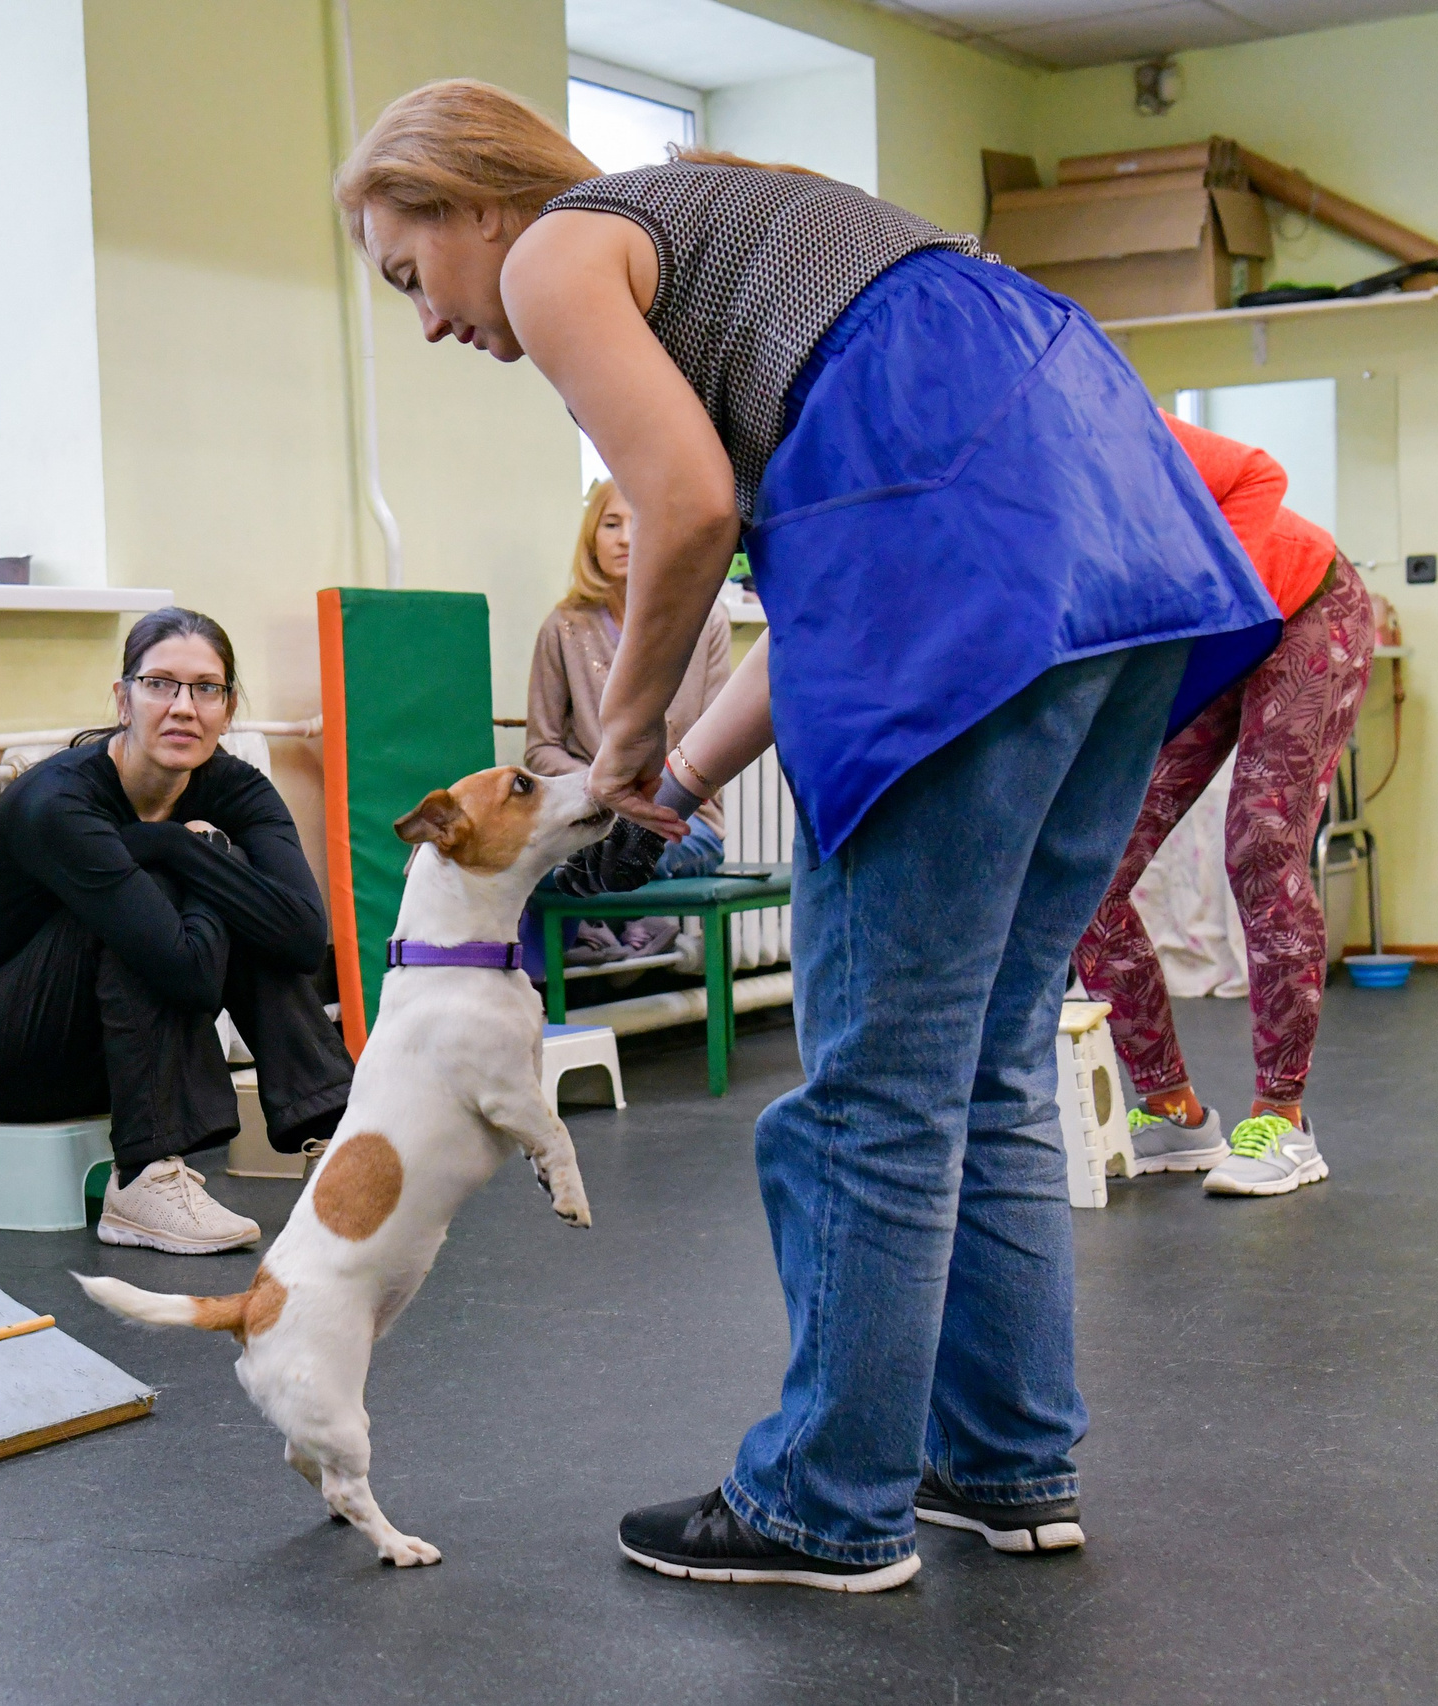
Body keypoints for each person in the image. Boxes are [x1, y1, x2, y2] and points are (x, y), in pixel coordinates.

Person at [335, 80, 1276, 1590]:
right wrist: (678, 787)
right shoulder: (749, 251)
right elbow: (824, 594)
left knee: (872, 1089)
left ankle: (827, 1499)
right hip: (1119, 544)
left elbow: (689, 510)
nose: (434, 319)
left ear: (472, 203)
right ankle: (1006, 1461)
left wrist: (623, 733)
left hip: (969, 562)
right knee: (985, 1058)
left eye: (408, 274)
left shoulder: (557, 248)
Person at [0, 607, 354, 1256]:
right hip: (7, 1047)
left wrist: (183, 849)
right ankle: (144, 1178)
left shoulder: (236, 789)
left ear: (228, 707)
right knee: (164, 895)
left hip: (115, 1047)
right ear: (123, 698)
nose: (183, 707)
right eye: (160, 683)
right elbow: (182, 970)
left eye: (206, 689)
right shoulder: (60, 803)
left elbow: (302, 938)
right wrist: (182, 857)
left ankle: (331, 1137)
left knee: (228, 888)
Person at [1071, 416, 1375, 1198]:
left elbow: (1260, 475)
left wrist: (1203, 606)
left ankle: (1285, 1119)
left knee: (1261, 845)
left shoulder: (1089, 417)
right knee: (1087, 865)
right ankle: (1174, 1109)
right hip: (1194, 659)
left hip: (1303, 607)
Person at [524, 476, 731, 963]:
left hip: (682, 819)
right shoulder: (562, 628)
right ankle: (599, 936)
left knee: (602, 853)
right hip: (587, 813)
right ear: (591, 537)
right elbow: (540, 748)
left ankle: (596, 930)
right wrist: (599, 787)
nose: (624, 537)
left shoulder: (709, 619)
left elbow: (715, 742)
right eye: (611, 523)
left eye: (639, 523)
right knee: (537, 853)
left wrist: (643, 801)